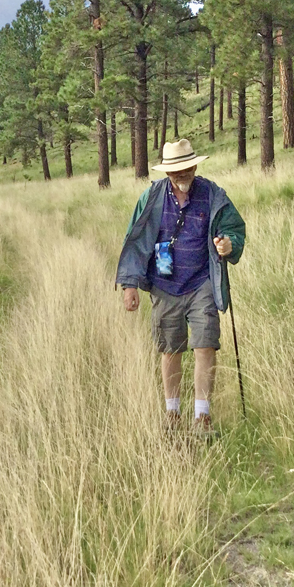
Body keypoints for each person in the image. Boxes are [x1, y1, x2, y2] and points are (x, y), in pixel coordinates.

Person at [115, 139, 245, 431]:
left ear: (194, 166)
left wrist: (228, 244)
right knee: (170, 349)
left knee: (205, 345)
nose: (181, 174)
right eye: (175, 170)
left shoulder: (213, 194)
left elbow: (233, 229)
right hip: (164, 287)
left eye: (185, 168)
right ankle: (172, 415)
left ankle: (202, 416)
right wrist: (129, 285)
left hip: (202, 284)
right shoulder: (151, 197)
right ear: (166, 172)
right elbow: (134, 242)